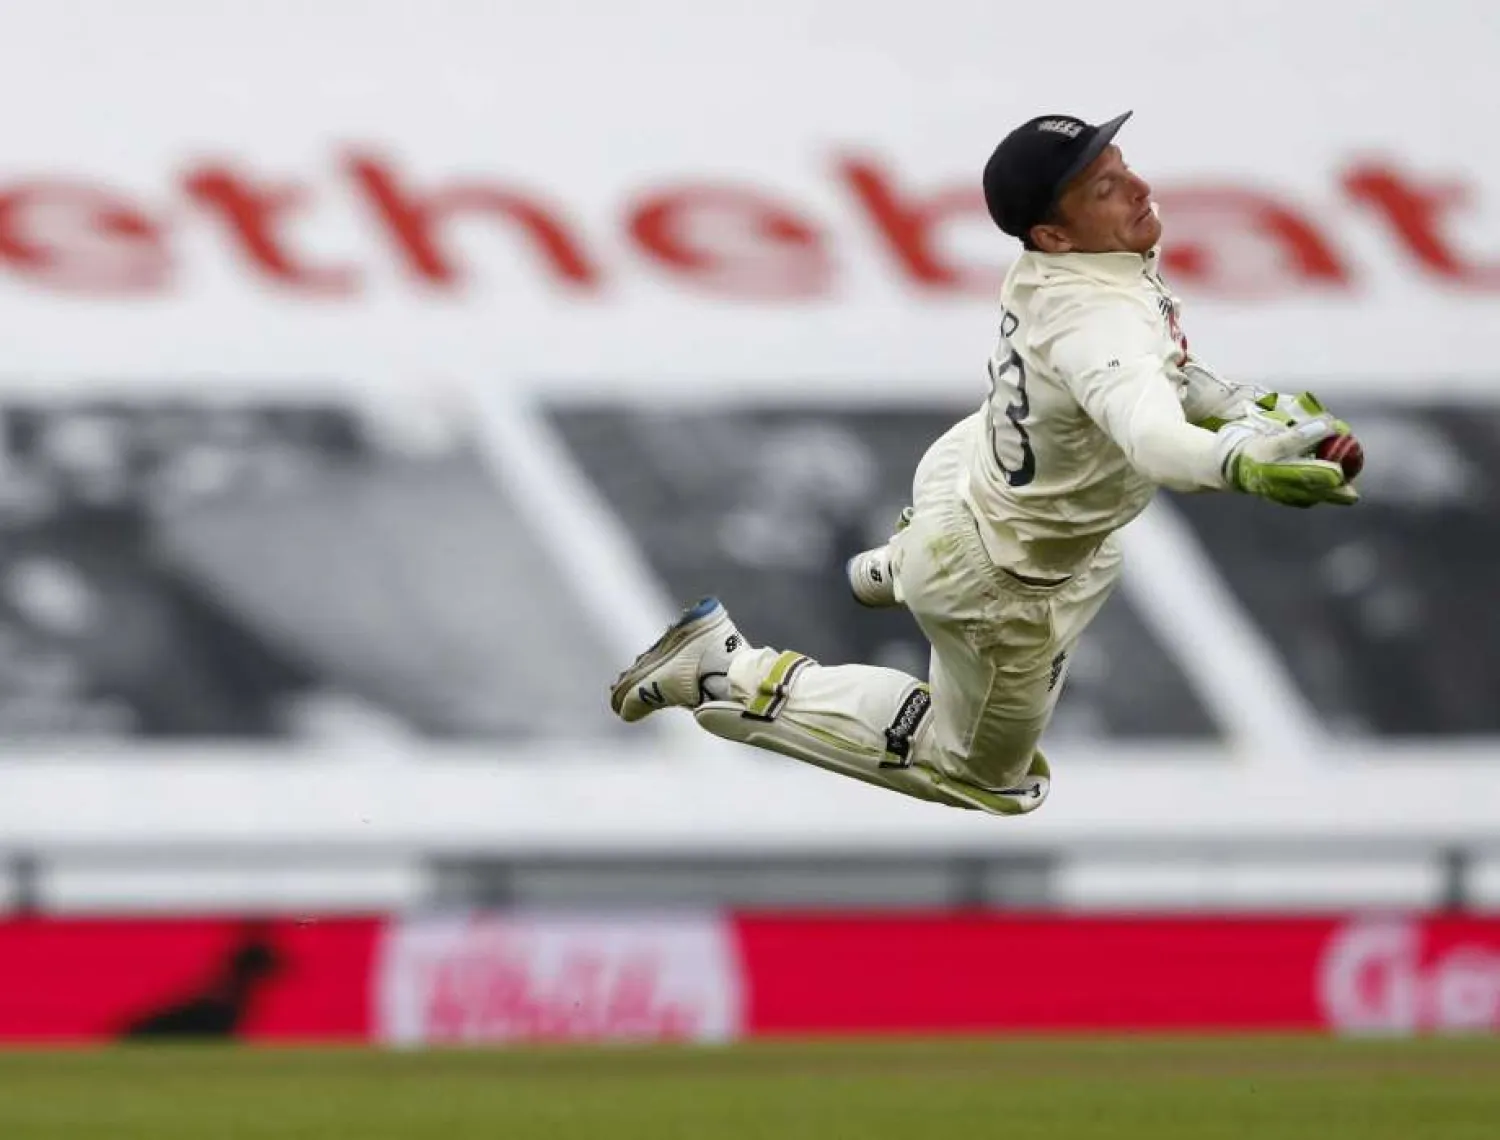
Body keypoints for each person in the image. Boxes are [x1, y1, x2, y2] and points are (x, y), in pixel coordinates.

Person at [608, 111, 1360, 816]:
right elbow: (1153, 438)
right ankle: (720, 669)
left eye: (1124, 167)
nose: (1139, 188)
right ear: (1052, 234)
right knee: (986, 777)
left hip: (967, 481)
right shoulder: (1100, 316)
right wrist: (1244, 461)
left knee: (1080, 552)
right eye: (1107, 187)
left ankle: (896, 568)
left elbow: (1161, 372)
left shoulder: (1076, 269)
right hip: (1001, 581)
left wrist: (1254, 411)